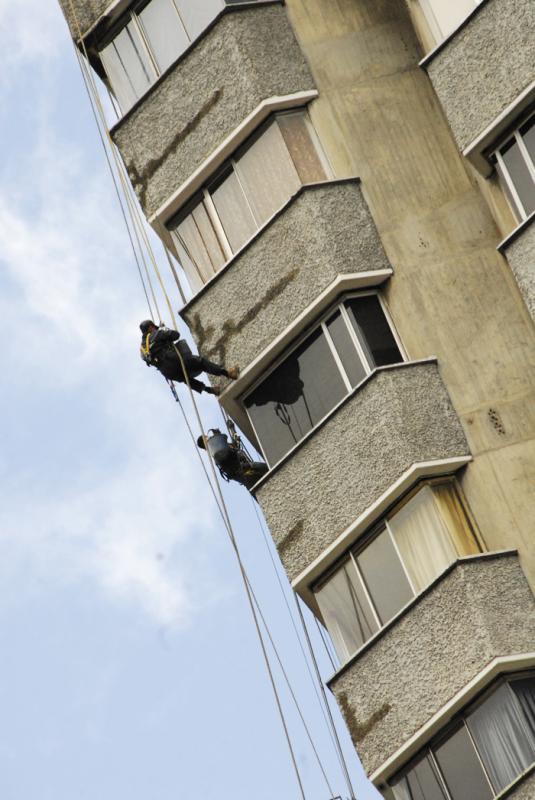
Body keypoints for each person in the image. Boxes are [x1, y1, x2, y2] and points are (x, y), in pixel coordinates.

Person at [139, 320, 238, 395]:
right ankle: (228, 374)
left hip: (168, 373)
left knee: (186, 379)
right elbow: (175, 335)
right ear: (151, 327)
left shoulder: (142, 349)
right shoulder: (156, 333)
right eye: (154, 327)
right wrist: (164, 330)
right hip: (174, 360)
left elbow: (148, 361)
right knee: (200, 362)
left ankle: (210, 390)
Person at [197, 429, 268, 490]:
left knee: (265, 472)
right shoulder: (218, 454)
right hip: (244, 471)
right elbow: (230, 465)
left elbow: (235, 446)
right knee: (267, 468)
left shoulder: (223, 447)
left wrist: (233, 432)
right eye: (206, 438)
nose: (209, 437)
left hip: (246, 470)